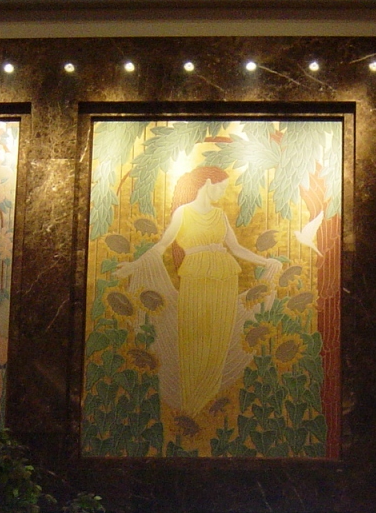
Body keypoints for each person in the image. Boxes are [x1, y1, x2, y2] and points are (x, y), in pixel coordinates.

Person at [117, 166, 281, 417]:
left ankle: (205, 403)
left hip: (225, 276)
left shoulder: (220, 215)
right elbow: (163, 245)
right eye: (222, 187)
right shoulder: (183, 212)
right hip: (195, 276)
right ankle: (191, 403)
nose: (223, 193)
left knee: (219, 337)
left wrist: (267, 262)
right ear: (207, 183)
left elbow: (236, 249)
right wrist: (135, 266)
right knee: (193, 336)